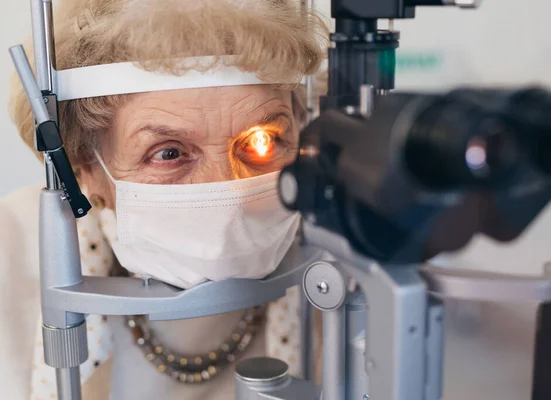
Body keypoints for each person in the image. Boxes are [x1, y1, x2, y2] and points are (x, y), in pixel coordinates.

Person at [2, 0, 328, 399]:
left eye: (262, 142)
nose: (231, 198)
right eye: (169, 153)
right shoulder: (10, 256)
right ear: (83, 168)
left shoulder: (342, 257)